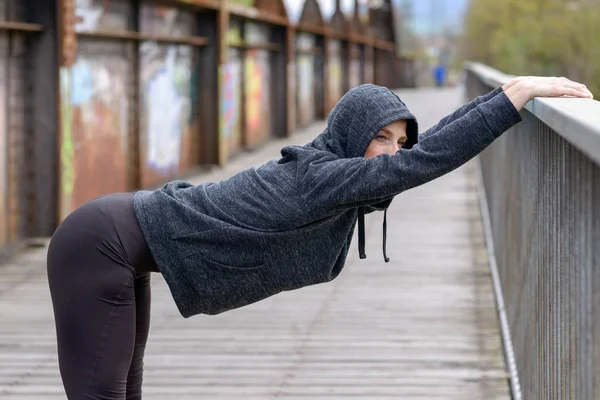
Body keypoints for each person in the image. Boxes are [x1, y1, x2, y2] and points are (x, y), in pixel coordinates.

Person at [46, 76, 592, 399]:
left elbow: (430, 146)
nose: (392, 152)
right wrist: (515, 95)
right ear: (353, 135)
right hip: (99, 244)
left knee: (122, 392)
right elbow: (428, 161)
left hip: (127, 242)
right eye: (380, 137)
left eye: (399, 140)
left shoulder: (333, 172)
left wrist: (505, 94)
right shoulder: (321, 177)